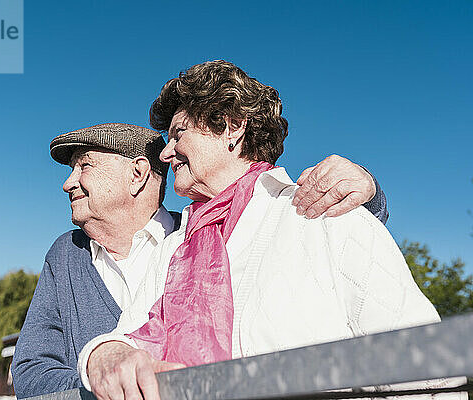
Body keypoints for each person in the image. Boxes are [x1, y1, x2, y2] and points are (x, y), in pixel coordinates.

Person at [78, 61, 453, 400]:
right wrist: (102, 354)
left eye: (178, 134)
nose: (166, 152)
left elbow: (433, 376)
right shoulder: (173, 247)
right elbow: (127, 336)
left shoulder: (325, 214)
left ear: (230, 126)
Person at [11, 122, 388, 398]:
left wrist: (366, 193)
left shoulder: (198, 237)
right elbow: (30, 368)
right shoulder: (66, 254)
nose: (68, 182)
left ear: (138, 175)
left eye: (84, 165)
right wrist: (110, 383)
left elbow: (314, 239)